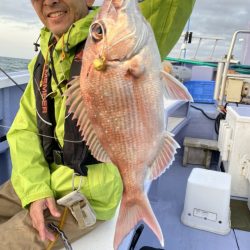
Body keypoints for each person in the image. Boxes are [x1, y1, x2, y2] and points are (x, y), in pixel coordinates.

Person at [0, 0, 195, 249]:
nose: (48, 1)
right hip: (36, 181)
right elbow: (24, 129)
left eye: (99, 32)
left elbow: (169, 5)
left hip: (80, 194)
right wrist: (35, 190)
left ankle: (132, 198)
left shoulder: (128, 34)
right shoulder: (46, 56)